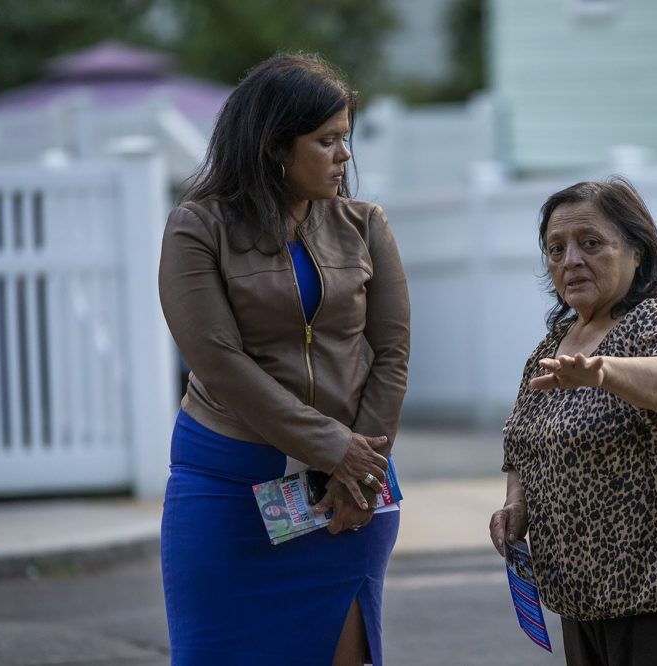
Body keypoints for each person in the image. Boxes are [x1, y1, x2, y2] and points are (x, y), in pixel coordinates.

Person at [158, 53, 409, 665]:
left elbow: (391, 353)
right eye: (327, 140)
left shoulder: (365, 224)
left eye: (345, 138)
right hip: (227, 489)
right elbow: (218, 361)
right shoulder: (198, 227)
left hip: (345, 496)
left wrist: (361, 471)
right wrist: (334, 449)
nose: (344, 156)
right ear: (276, 145)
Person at [489, 177, 657, 666]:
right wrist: (515, 503)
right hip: (582, 601)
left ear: (637, 251)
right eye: (555, 249)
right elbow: (520, 442)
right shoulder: (552, 344)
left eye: (591, 243)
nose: (570, 260)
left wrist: (603, 372)